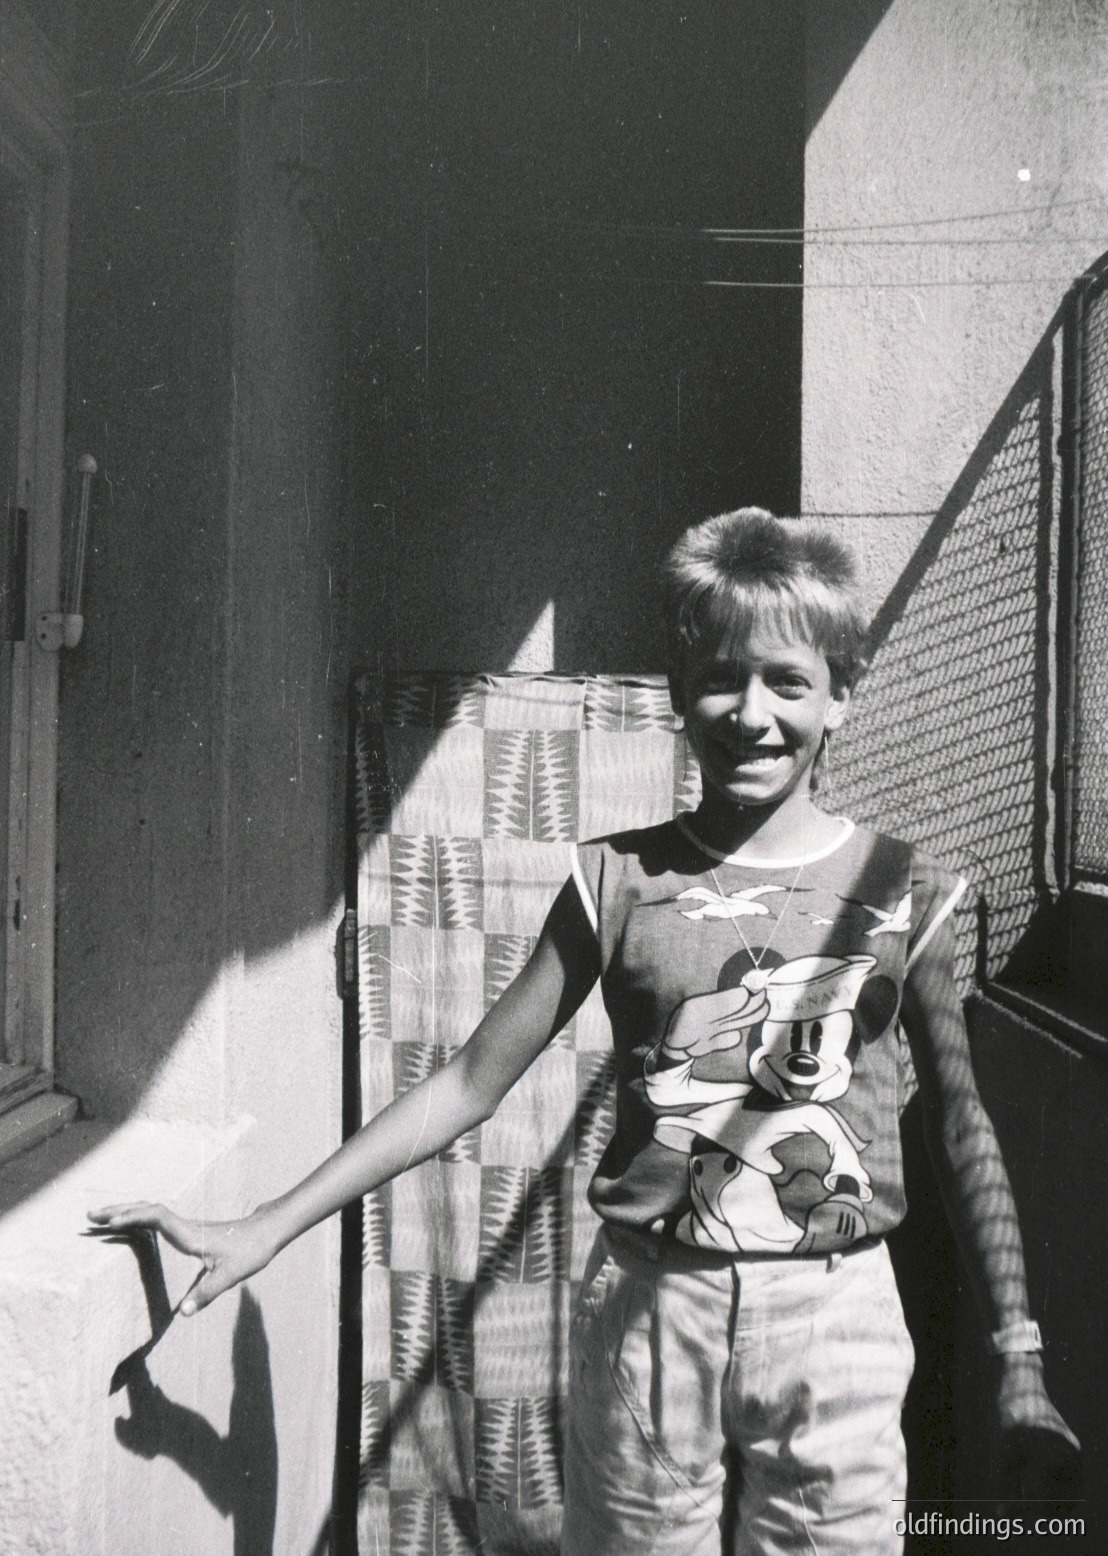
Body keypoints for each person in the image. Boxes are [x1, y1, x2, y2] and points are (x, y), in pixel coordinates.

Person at [91, 508, 1077, 1554]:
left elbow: (958, 1118)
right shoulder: (614, 877)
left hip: (837, 1318)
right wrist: (266, 1223)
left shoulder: (903, 889)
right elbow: (468, 1080)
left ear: (841, 693)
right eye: (721, 677)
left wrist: (1017, 1347)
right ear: (677, 691)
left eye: (787, 680)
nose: (751, 712)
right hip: (651, 1308)